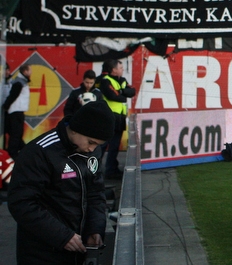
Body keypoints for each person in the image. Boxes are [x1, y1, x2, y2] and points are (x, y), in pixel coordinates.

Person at [7, 100, 114, 265]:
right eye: (91, 142)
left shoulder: (92, 153)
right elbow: (21, 202)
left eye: (98, 145)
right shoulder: (40, 152)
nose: (92, 149)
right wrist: (62, 236)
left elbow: (95, 192)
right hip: (42, 252)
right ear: (77, 129)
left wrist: (95, 228)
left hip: (78, 249)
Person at [96, 59, 136, 178]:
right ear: (114, 70)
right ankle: (95, 169)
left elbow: (132, 91)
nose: (122, 70)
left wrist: (122, 91)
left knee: (115, 145)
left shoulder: (122, 80)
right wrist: (123, 93)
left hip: (120, 117)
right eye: (120, 68)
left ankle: (111, 170)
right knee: (103, 144)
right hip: (110, 116)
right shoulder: (105, 81)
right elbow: (114, 96)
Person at [3, 64, 31, 158]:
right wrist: (5, 106)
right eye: (29, 70)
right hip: (16, 112)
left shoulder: (20, 81)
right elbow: (13, 95)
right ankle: (13, 154)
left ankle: (25, 151)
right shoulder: (19, 82)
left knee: (17, 134)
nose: (31, 72)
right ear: (25, 71)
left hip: (17, 111)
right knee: (16, 134)